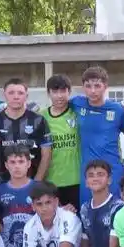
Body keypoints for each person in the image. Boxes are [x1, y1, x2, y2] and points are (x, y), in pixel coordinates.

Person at [0, 77, 52, 185]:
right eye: (11, 93)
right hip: (3, 182)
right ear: (4, 95)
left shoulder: (38, 120)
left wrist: (37, 182)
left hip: (32, 180)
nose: (16, 97)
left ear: (26, 96)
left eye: (20, 93)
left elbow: (47, 155)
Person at [70, 66, 124, 202]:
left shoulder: (118, 110)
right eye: (88, 86)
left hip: (113, 171)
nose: (93, 91)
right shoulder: (76, 103)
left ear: (105, 86)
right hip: (88, 172)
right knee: (87, 210)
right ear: (83, 87)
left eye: (97, 86)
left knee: (114, 209)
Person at [42, 74, 82, 209]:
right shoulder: (41, 116)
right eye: (55, 91)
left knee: (76, 219)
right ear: (48, 93)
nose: (59, 96)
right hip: (52, 181)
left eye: (63, 91)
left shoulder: (77, 113)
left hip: (77, 180)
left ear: (69, 92)